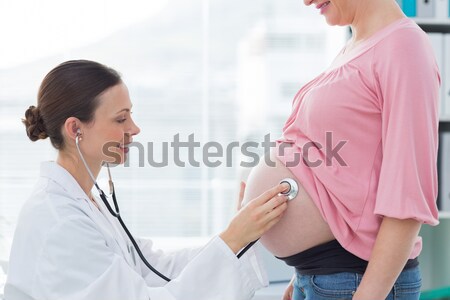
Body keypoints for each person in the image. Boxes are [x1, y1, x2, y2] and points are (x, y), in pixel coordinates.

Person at [5, 60, 291, 300]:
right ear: (75, 128)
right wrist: (233, 238)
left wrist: (237, 236)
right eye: (121, 119)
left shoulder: (86, 203)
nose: (135, 128)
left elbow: (155, 267)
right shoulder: (60, 221)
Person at [240, 0, 440, 299]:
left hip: (357, 281)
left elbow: (408, 193)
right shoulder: (356, 45)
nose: (306, 1)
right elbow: (336, 178)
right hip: (327, 278)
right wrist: (305, 273)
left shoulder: (404, 46)